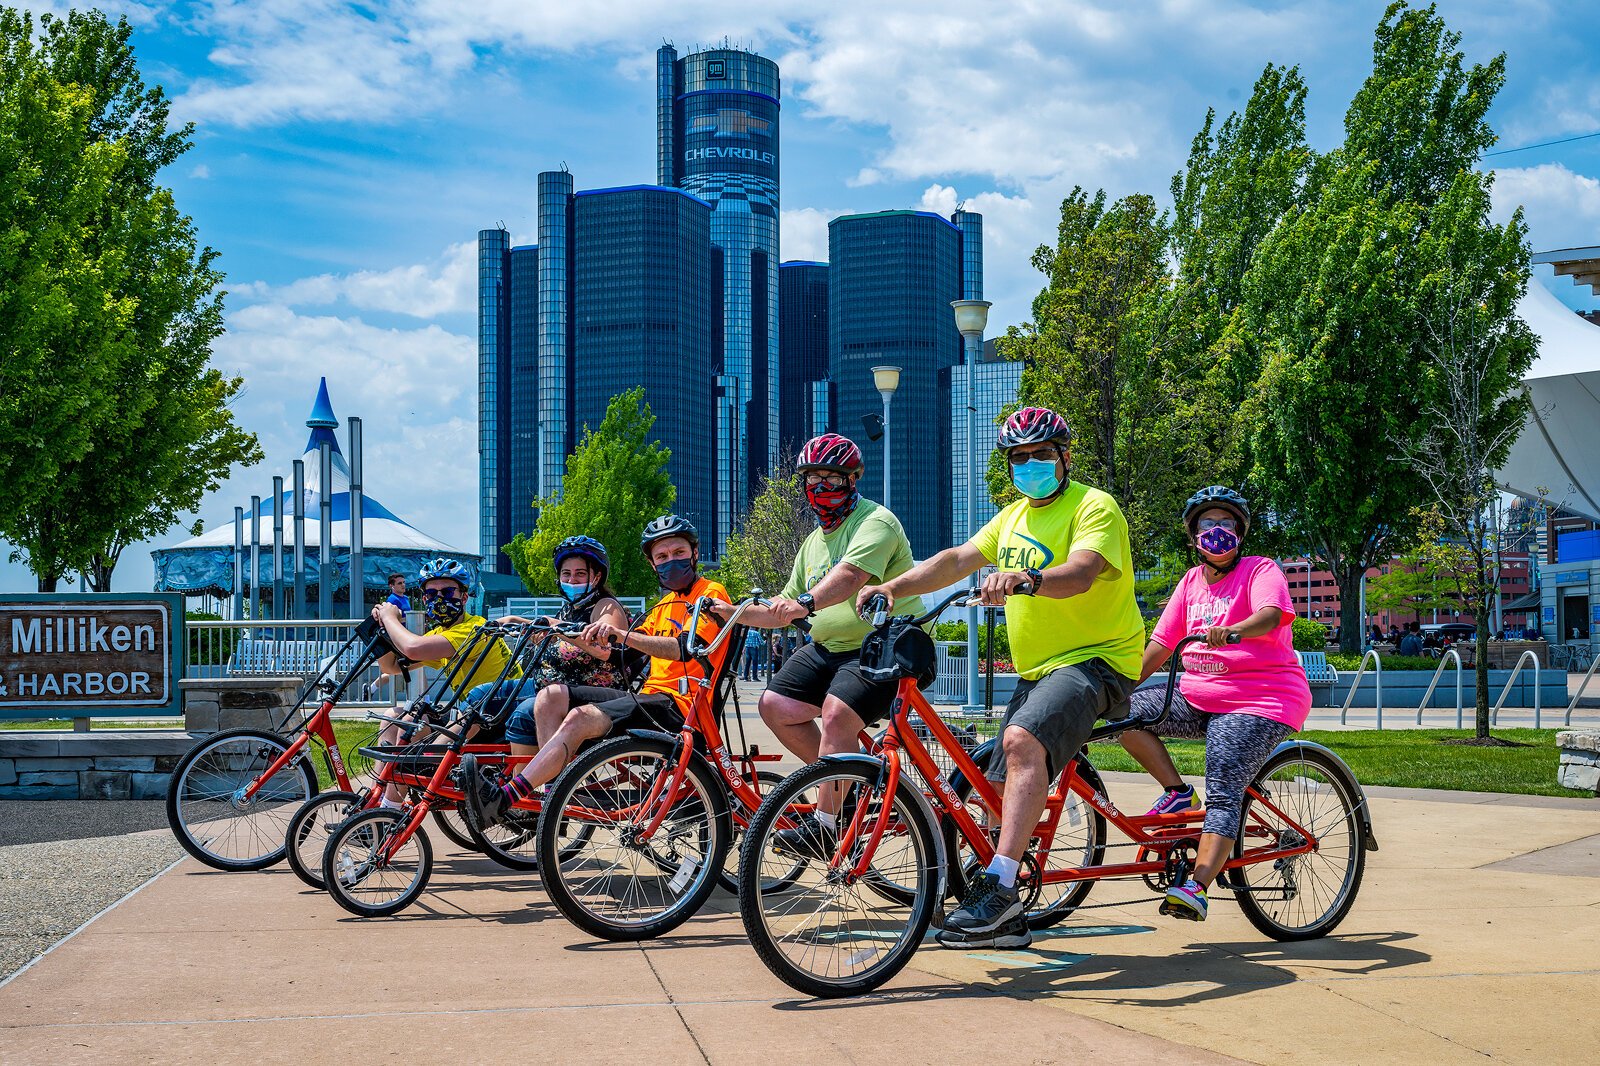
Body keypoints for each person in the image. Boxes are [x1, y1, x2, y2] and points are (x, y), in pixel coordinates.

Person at [857, 407, 1144, 950]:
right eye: (1019, 457)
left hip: (1098, 660)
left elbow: (1083, 572)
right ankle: (1006, 918)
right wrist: (893, 588)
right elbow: (954, 560)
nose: (1030, 465)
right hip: (1039, 670)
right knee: (989, 780)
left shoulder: (1093, 506)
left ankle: (1001, 887)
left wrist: (1029, 579)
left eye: (1040, 455)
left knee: (1020, 741)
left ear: (1064, 457)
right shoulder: (1010, 517)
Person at [721, 434, 923, 858]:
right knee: (776, 705)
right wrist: (729, 612)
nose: (821, 488)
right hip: (829, 647)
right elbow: (784, 609)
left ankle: (825, 824)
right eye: (813, 480)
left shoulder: (875, 522)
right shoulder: (812, 543)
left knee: (835, 715)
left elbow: (850, 577)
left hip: (882, 646)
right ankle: (848, 779)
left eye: (832, 479)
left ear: (854, 478)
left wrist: (806, 601)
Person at [1116, 487, 1311, 922]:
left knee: (1223, 780)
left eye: (1225, 523)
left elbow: (1271, 614)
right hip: (1199, 692)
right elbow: (1162, 643)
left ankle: (1196, 886)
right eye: (1207, 524)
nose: (1216, 531)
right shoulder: (1190, 581)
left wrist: (1235, 630)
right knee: (1121, 714)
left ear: (1239, 532)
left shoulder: (1261, 570)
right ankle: (1177, 793)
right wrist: (1118, 686)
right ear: (1193, 535)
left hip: (1261, 697)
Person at [463, 515, 731, 828]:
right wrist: (556, 629)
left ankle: (507, 797)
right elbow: (620, 653)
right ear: (652, 564)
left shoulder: (710, 594)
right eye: (662, 556)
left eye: (678, 553)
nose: (670, 561)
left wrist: (621, 634)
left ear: (694, 554)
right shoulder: (664, 605)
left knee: (579, 718)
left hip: (681, 707)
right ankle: (553, 792)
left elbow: (686, 648)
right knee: (550, 696)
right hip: (649, 698)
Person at [369, 558, 515, 806]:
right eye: (431, 593)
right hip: (470, 716)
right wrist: (378, 626)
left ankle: (388, 813)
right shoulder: (441, 634)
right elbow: (391, 666)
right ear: (424, 599)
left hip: (495, 719)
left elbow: (413, 648)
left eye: (447, 592)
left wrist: (391, 617)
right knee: (390, 717)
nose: (439, 599)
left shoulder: (475, 628)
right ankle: (375, 800)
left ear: (465, 597)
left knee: (409, 725)